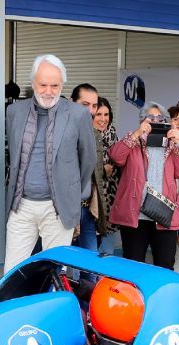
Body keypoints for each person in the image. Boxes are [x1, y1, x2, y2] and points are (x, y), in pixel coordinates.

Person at [3, 54, 95, 271]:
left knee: (54, 271)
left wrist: (72, 192)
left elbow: (88, 159)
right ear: (33, 83)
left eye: (55, 85)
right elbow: (13, 157)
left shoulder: (78, 114)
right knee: (13, 272)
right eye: (43, 84)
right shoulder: (14, 112)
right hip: (20, 206)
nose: (48, 91)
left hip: (57, 209)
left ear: (62, 84)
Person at [108, 102, 179, 268]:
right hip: (136, 217)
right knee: (132, 265)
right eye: (150, 117)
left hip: (164, 215)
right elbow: (116, 156)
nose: (155, 120)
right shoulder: (133, 142)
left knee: (165, 265)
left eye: (160, 118)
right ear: (142, 120)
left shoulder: (173, 145)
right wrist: (137, 133)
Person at [70, 83, 107, 252]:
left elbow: (96, 176)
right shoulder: (60, 133)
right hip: (67, 209)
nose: (91, 111)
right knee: (63, 264)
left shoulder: (95, 134)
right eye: (85, 105)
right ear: (72, 102)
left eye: (94, 105)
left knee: (90, 267)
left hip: (88, 208)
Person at [93, 97, 119, 254]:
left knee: (107, 253)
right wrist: (101, 169)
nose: (103, 119)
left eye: (106, 114)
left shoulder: (114, 136)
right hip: (90, 202)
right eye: (98, 114)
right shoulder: (84, 136)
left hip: (110, 204)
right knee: (87, 251)